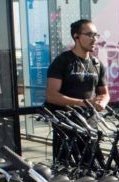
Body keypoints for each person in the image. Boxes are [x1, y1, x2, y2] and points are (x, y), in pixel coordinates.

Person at [45, 19, 110, 161]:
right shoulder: (63, 61)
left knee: (94, 169)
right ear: (76, 36)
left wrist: (102, 103)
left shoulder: (97, 64)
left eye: (96, 35)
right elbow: (51, 96)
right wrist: (84, 103)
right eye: (90, 35)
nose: (94, 39)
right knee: (67, 173)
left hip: (90, 126)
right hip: (66, 127)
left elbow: (104, 93)